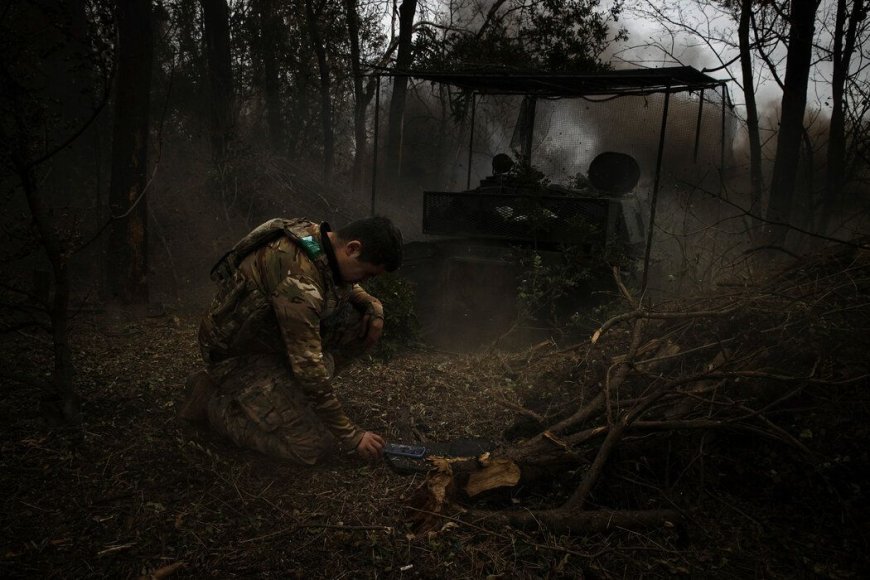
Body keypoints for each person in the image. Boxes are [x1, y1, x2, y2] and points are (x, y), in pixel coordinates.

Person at [182, 216, 403, 465]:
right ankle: (212, 402)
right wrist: (351, 435)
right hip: (235, 356)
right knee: (311, 446)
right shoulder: (298, 283)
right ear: (352, 248)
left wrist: (371, 303)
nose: (361, 282)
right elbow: (309, 368)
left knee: (363, 315)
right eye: (365, 274)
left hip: (267, 339)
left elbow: (330, 276)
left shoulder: (316, 238)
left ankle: (290, 394)